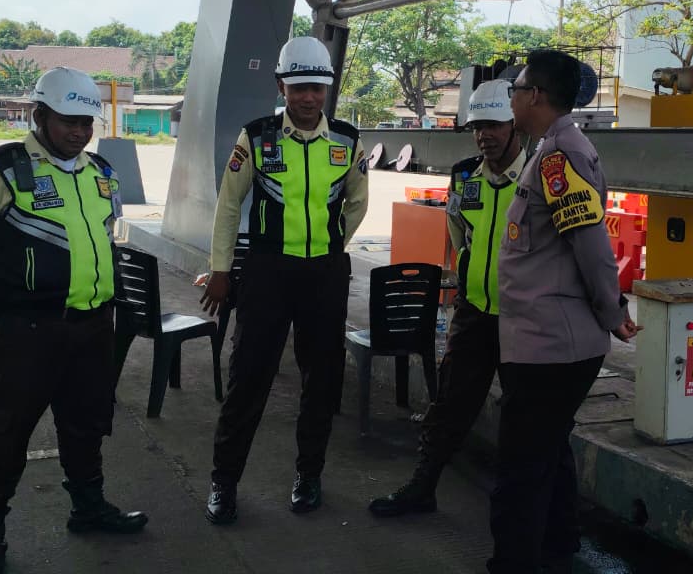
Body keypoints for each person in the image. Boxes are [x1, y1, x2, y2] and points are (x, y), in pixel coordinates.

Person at [0, 67, 148, 574]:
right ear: (40, 115)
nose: (79, 132)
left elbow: (106, 235)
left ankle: (88, 508)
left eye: (86, 123)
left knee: (86, 424)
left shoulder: (100, 171)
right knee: (3, 434)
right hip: (28, 332)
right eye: (68, 121)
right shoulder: (4, 169)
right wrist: (1, 284)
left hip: (92, 327)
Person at [199, 36, 369, 524]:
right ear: (282, 87)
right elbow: (229, 205)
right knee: (249, 378)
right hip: (267, 272)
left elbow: (357, 201)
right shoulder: (256, 137)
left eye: (317, 88)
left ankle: (309, 475)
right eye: (298, 88)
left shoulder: (346, 140)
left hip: (325, 274)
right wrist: (220, 269)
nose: (308, 97)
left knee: (322, 380)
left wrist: (330, 244)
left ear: (327, 88)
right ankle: (224, 482)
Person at [489, 50, 640, 574]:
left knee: (521, 466)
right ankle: (558, 546)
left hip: (551, 343)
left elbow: (591, 244)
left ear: (534, 95)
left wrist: (612, 310)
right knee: (548, 450)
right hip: (547, 338)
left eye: (516, 89)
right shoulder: (553, 149)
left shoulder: (559, 157)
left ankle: (515, 563)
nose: (512, 98)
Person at [368, 79, 524, 517]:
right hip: (474, 313)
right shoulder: (464, 175)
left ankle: (536, 516)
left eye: (494, 125)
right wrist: (470, 280)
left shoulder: (536, 176)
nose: (484, 135)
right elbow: (459, 234)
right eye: (477, 127)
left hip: (525, 320)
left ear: (514, 125)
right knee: (449, 406)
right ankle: (423, 488)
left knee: (529, 417)